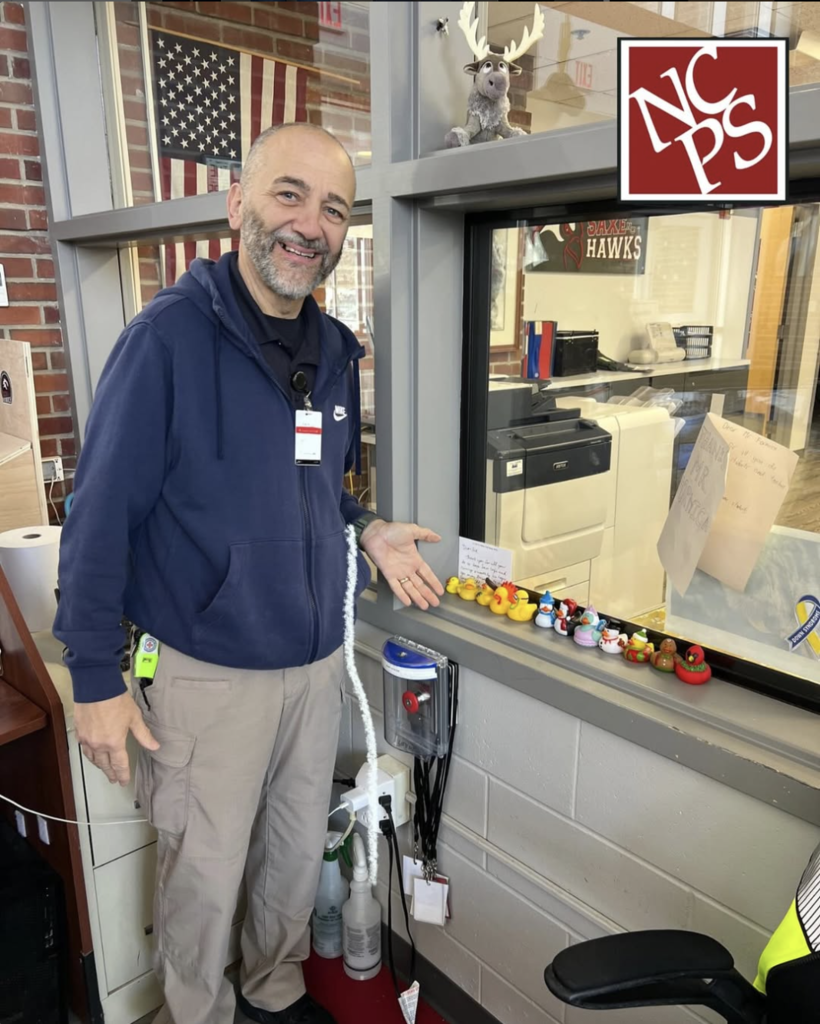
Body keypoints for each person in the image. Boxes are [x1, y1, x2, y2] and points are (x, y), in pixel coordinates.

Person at [54, 123, 444, 1024]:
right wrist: (93, 677)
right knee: (204, 868)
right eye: (289, 194)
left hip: (310, 669)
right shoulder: (165, 343)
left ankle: (273, 990)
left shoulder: (335, 354)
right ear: (238, 205)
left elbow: (307, 491)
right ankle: (199, 1013)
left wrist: (367, 527)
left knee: (292, 853)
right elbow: (98, 515)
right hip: (206, 674)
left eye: (335, 208)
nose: (310, 223)